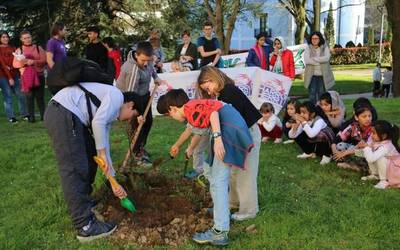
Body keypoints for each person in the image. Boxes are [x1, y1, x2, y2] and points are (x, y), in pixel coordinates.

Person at [44, 82, 140, 242]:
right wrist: (101, 152)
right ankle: (85, 226)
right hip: (63, 113)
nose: (129, 120)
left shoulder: (109, 112)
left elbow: (104, 147)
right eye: (133, 115)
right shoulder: (117, 96)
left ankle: (84, 201)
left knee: (89, 157)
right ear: (130, 104)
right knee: (74, 167)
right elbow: (97, 124)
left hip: (68, 115)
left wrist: (113, 180)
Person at [157, 89, 254, 246]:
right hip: (228, 128)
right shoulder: (193, 107)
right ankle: (221, 210)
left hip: (228, 131)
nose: (172, 118)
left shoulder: (190, 108)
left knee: (218, 181)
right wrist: (183, 146)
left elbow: (213, 114)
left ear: (172, 109)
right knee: (209, 169)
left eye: (169, 116)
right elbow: (195, 130)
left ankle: (220, 231)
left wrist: (217, 139)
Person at [197, 66, 261, 221]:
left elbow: (232, 120)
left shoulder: (228, 92)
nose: (209, 92)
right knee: (233, 171)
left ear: (213, 79)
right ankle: (233, 202)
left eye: (208, 87)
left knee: (245, 172)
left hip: (247, 134)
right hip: (238, 134)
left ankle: (249, 210)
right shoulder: (223, 93)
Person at [116, 41, 164, 166]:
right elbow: (131, 95)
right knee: (138, 125)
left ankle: (141, 148)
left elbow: (151, 68)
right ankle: (137, 154)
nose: (146, 63)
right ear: (137, 55)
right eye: (143, 60)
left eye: (149, 60)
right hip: (131, 100)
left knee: (148, 122)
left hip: (143, 95)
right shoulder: (132, 69)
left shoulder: (146, 60)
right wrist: (137, 114)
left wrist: (156, 77)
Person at [13, 30, 46, 123]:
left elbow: (44, 60)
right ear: (21, 39)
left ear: (31, 37)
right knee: (29, 97)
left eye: (29, 37)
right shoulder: (19, 50)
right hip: (26, 77)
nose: (27, 40)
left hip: (39, 75)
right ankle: (31, 118)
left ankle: (44, 116)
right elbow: (15, 64)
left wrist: (34, 62)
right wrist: (24, 62)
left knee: (40, 97)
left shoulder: (38, 48)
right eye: (25, 38)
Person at [289, 101, 335, 165]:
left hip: (327, 142)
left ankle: (327, 155)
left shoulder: (319, 120)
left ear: (312, 114)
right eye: (301, 112)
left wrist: (303, 121)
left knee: (321, 135)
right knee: (300, 135)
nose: (301, 115)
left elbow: (312, 134)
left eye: (304, 113)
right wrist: (295, 126)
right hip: (316, 141)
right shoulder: (304, 121)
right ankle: (309, 152)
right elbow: (292, 136)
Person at [358, 120, 400, 189]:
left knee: (380, 158)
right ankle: (375, 175)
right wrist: (359, 151)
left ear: (383, 136)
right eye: (371, 132)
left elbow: (370, 159)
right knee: (371, 153)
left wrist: (366, 147)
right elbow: (367, 153)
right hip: (388, 168)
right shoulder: (377, 142)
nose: (371, 135)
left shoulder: (385, 147)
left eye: (373, 133)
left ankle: (384, 180)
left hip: (395, 170)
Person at [331, 105, 373, 173]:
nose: (368, 119)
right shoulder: (353, 126)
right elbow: (337, 139)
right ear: (356, 117)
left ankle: (355, 166)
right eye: (364, 116)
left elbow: (366, 149)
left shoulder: (373, 129)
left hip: (368, 152)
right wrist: (335, 151)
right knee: (340, 145)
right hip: (355, 150)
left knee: (364, 153)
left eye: (369, 116)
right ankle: (352, 164)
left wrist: (344, 153)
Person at [0, 31, 28, 123]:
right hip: (3, 75)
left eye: (7, 37)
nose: (5, 39)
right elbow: (3, 65)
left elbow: (18, 60)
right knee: (8, 96)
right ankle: (11, 117)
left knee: (21, 95)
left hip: (15, 74)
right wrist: (9, 78)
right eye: (3, 37)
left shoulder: (13, 48)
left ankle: (24, 114)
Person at [304, 31, 335, 104]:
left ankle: (321, 110)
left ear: (320, 39)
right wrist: (320, 60)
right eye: (313, 38)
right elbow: (307, 60)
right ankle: (312, 110)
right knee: (312, 94)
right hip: (312, 76)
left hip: (322, 75)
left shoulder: (325, 47)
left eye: (316, 38)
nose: (314, 40)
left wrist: (314, 59)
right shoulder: (308, 48)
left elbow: (327, 58)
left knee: (322, 94)